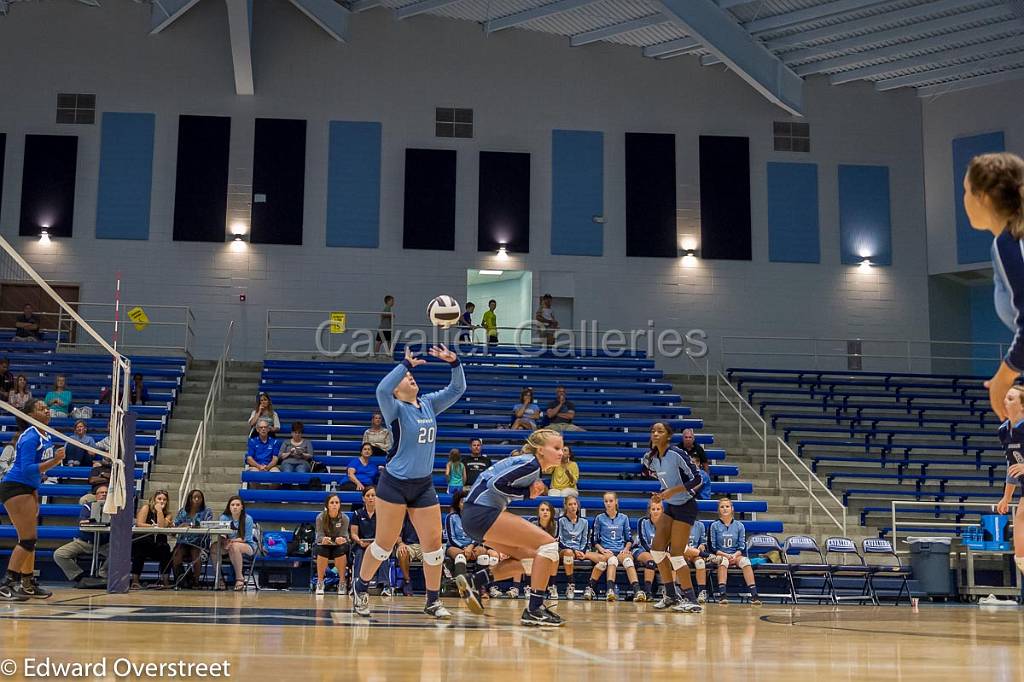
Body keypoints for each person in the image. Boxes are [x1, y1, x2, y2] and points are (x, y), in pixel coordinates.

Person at [352, 344, 466, 620]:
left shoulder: (428, 403)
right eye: (405, 379)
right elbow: (381, 389)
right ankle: (361, 587)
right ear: (397, 389)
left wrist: (455, 363)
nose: (410, 379)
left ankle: (432, 600)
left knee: (434, 546)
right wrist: (404, 365)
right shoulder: (395, 409)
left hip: (423, 485)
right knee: (384, 545)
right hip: (394, 484)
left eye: (411, 376)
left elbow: (456, 390)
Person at [453, 429, 566, 627]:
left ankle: (476, 581)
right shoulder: (531, 464)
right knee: (548, 545)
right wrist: (526, 493)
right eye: (556, 448)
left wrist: (527, 492)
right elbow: (494, 483)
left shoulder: (529, 463)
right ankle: (534, 608)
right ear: (540, 450)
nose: (561, 452)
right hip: (481, 513)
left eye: (562, 448)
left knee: (532, 558)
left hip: (475, 516)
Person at [962, 152, 1024, 418]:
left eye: (965, 191)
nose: (963, 199)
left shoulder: (1010, 242)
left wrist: (1004, 374)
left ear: (983, 197)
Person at [0, 397, 65, 600]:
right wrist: (55, 460)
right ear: (30, 416)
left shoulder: (45, 435)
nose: (47, 410)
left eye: (47, 408)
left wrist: (35, 493)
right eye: (41, 408)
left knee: (29, 540)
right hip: (15, 487)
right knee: (28, 539)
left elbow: (35, 474)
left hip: (27, 488)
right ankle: (6, 584)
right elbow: (27, 469)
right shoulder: (30, 437)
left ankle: (27, 584)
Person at [643, 421, 705, 613]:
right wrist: (661, 494)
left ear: (668, 436)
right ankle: (670, 595)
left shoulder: (677, 454)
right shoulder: (649, 458)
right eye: (653, 431)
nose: (655, 434)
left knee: (677, 554)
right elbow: (663, 482)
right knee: (657, 550)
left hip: (686, 506)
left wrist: (672, 491)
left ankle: (692, 599)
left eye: (660, 431)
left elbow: (698, 478)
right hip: (670, 506)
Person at [582, 492, 640, 602]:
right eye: (606, 501)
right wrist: (602, 550)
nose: (608, 503)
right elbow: (594, 540)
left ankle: (637, 591)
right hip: (606, 551)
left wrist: (626, 549)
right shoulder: (599, 518)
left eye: (611, 501)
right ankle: (610, 590)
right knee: (612, 560)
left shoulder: (624, 518)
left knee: (628, 560)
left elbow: (629, 539)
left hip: (620, 550)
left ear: (616, 502)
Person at [995, 385, 1024, 581]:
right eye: (1005, 398)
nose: (1006, 401)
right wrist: (1006, 497)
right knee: (1020, 554)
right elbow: (1012, 467)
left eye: (1011, 398)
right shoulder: (1004, 431)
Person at [54, 483, 109, 587]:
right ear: (96, 496)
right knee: (59, 554)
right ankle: (79, 576)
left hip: (105, 543)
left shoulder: (115, 508)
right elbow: (82, 521)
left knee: (120, 552)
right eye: (101, 493)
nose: (104, 495)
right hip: (84, 542)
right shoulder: (88, 506)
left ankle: (103, 575)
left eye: (106, 493)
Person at [709, 497, 761, 605]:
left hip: (735, 555)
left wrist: (734, 555)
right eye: (722, 507)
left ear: (732, 509)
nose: (725, 509)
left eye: (727, 506)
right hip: (720, 555)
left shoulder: (739, 526)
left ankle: (754, 595)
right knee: (723, 562)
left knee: (746, 561)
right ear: (718, 510)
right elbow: (712, 547)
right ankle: (722, 595)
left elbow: (741, 547)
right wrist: (726, 555)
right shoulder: (714, 525)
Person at [555, 494, 600, 600]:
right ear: (566, 506)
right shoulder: (561, 520)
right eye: (570, 504)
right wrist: (575, 551)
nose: (573, 506)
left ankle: (590, 587)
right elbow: (559, 540)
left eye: (575, 504)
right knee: (568, 553)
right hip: (564, 550)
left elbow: (585, 540)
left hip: (580, 550)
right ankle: (571, 584)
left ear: (578, 506)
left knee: (602, 559)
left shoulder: (584, 522)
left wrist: (582, 551)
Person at [350, 487, 391, 594]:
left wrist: (377, 542)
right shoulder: (357, 513)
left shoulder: (383, 513)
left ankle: (385, 585)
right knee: (358, 554)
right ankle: (356, 583)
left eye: (373, 495)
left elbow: (386, 532)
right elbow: (353, 533)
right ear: (363, 498)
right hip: (361, 544)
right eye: (368, 496)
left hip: (378, 543)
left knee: (383, 554)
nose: (371, 498)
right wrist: (359, 541)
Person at [171, 489, 213, 588]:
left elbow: (207, 525)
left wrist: (190, 525)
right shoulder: (182, 511)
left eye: (199, 497)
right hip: (183, 542)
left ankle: (196, 581)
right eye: (195, 497)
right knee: (177, 553)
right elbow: (176, 526)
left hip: (199, 543)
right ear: (190, 499)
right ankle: (180, 580)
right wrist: (180, 526)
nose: (197, 499)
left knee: (195, 552)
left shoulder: (207, 512)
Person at [132, 489, 173, 590]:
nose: (161, 501)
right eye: (159, 499)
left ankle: (165, 581)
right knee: (139, 549)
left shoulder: (168, 514)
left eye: (164, 499)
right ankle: (135, 581)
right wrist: (152, 526)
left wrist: (159, 511)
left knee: (166, 550)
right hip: (144, 540)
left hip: (158, 543)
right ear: (154, 500)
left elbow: (162, 526)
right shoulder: (146, 508)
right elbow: (139, 523)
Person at [445, 490, 489, 582]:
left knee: (484, 554)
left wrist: (471, 546)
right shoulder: (451, 517)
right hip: (454, 546)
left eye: (467, 501)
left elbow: (478, 535)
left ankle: (482, 587)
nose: (465, 504)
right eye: (462, 502)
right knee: (460, 556)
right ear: (457, 504)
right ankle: (462, 586)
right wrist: (464, 548)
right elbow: (451, 538)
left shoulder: (476, 518)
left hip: (472, 546)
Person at [214, 495, 256, 591]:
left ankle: (239, 578)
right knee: (214, 547)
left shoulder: (248, 518)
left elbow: (246, 538)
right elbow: (223, 535)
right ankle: (219, 579)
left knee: (235, 546)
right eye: (232, 505)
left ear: (242, 507)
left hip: (247, 545)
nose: (235, 507)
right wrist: (224, 542)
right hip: (229, 544)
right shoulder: (224, 517)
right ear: (229, 507)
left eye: (237, 505)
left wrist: (231, 541)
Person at [314, 493, 350, 596]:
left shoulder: (345, 518)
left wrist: (341, 539)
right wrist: (323, 539)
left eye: (337, 502)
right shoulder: (320, 517)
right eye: (332, 502)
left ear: (340, 505)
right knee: (321, 550)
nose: (334, 505)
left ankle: (342, 582)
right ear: (327, 505)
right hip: (326, 544)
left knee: (341, 550)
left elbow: (345, 536)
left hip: (339, 545)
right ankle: (320, 582)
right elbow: (319, 535)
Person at [632, 497, 663, 602]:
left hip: (659, 552)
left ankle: (670, 592)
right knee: (651, 561)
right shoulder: (642, 521)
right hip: (641, 550)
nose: (655, 511)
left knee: (671, 560)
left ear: (662, 510)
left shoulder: (666, 523)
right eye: (653, 509)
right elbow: (643, 540)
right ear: (649, 510)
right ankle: (648, 592)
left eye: (658, 509)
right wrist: (654, 553)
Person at [395, 515, 422, 597]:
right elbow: (397, 535)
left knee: (434, 554)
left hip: (424, 545)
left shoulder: (425, 514)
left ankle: (431, 587)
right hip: (407, 545)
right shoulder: (401, 516)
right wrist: (400, 543)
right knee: (402, 552)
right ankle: (407, 581)